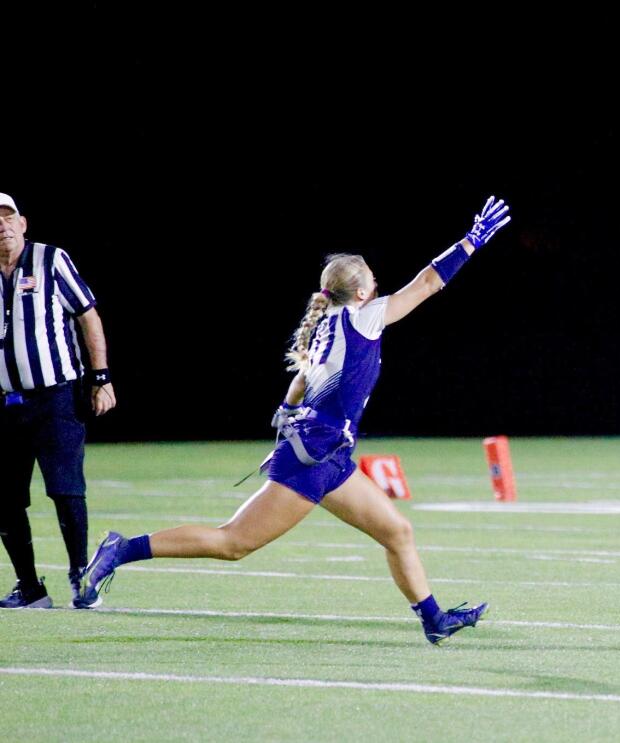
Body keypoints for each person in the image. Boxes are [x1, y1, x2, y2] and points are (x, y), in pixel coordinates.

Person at [77, 196, 511, 645]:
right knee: (234, 543)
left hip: (327, 454)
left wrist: (287, 413)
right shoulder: (365, 319)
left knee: (397, 531)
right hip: (313, 458)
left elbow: (302, 382)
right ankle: (121, 549)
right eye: (374, 282)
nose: (380, 287)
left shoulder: (327, 325)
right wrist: (472, 241)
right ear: (361, 293)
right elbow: (426, 283)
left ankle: (433, 619)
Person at [1, 192, 117, 609]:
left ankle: (80, 576)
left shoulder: (50, 260)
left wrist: (100, 377)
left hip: (56, 395)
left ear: (23, 222)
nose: (2, 224)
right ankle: (29, 585)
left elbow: (88, 313)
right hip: (4, 403)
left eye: (7, 216)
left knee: (66, 490)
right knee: (4, 498)